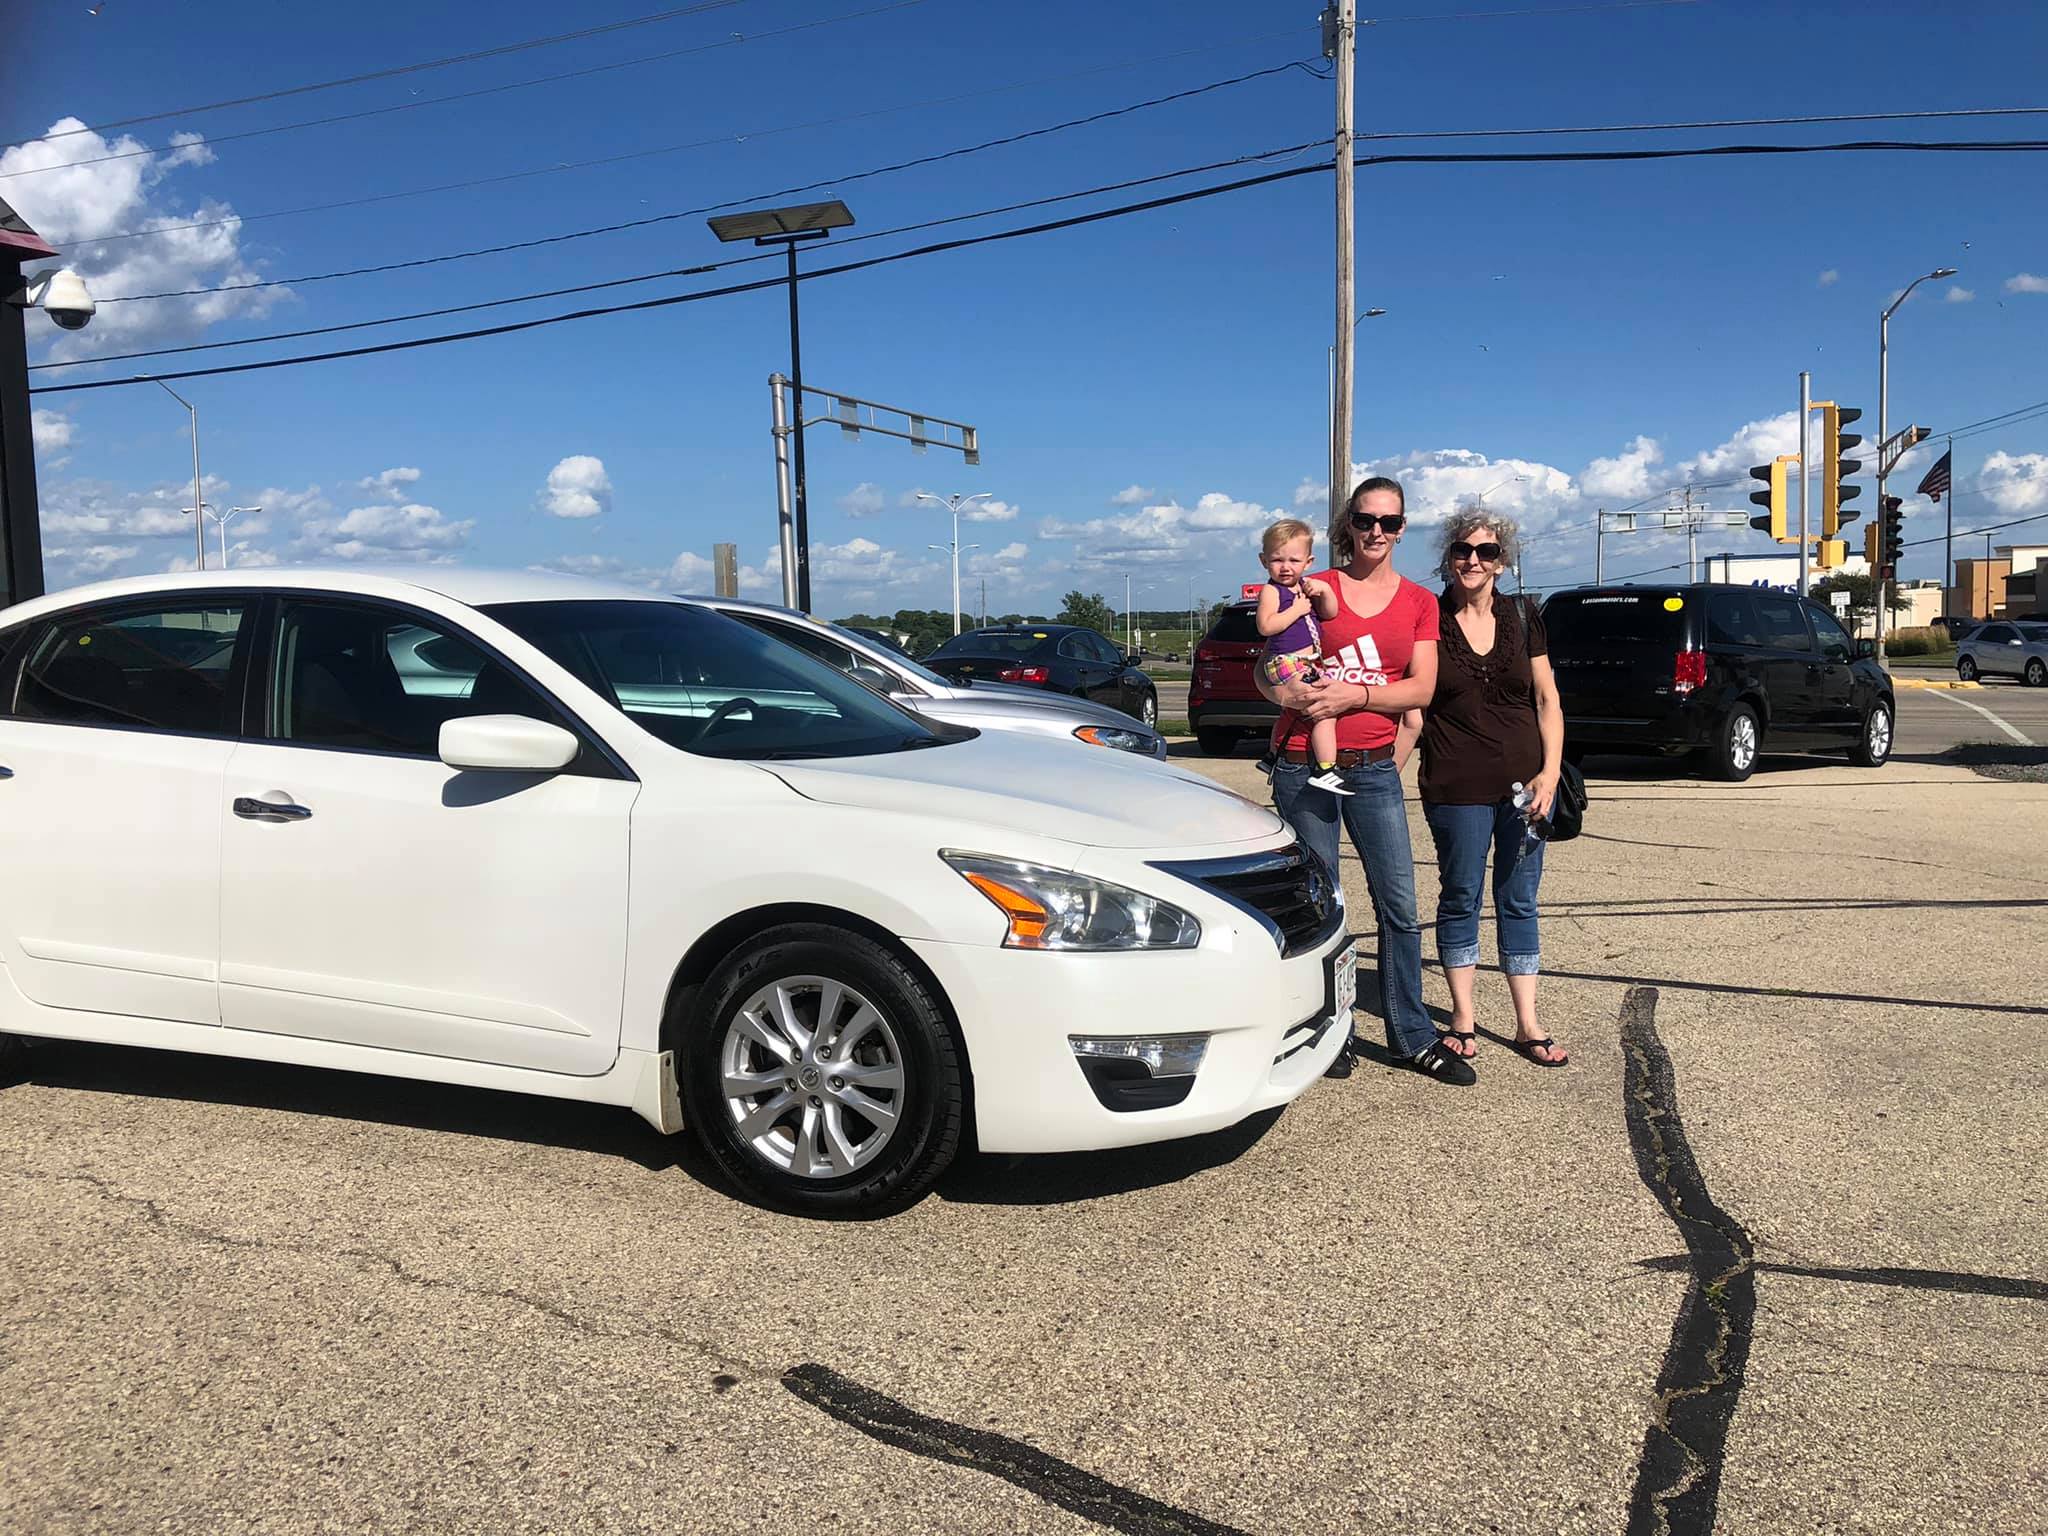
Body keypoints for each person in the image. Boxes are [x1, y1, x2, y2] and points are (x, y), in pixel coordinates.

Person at [1258, 476, 1473, 1086]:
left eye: (1390, 521)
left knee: (1399, 905)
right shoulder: (1313, 584)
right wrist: (1284, 693)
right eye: (1365, 519)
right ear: (1348, 524)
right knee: (1322, 905)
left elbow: (1421, 690)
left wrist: (1356, 696)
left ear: (1402, 529)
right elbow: (1264, 668)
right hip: (1304, 765)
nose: (1376, 531)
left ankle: (1412, 1034)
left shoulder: (1419, 602)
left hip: (1374, 768)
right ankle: (1331, 1030)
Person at [1417, 508, 1569, 1068]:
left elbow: (1548, 699)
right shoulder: (1429, 618)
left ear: (1502, 562)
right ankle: (1462, 1016)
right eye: (1463, 550)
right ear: (1449, 558)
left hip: (1528, 787)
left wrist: (1551, 772)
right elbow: (1411, 702)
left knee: (1519, 898)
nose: (1473, 560)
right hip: (1455, 783)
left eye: (1486, 552)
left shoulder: (1524, 615)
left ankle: (1528, 1022)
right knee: (1461, 894)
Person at [1254, 519, 1346, 795]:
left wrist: (1325, 591)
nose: (1285, 567)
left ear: (1308, 562)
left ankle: (1272, 756)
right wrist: (1296, 610)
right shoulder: (1272, 591)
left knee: (1294, 710)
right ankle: (1326, 769)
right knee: (1326, 709)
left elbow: (1330, 613)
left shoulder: (1306, 587)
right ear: (1264, 561)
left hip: (1305, 661)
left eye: (1294, 560)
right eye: (1277, 560)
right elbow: (1265, 626)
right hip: (1285, 660)